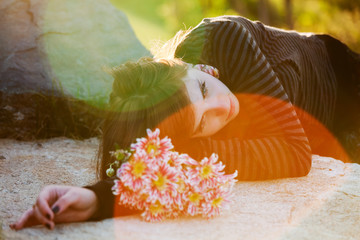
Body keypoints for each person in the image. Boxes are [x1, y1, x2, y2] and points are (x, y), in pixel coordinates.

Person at [10, 15, 360, 230]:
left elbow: (294, 152)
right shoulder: (171, 121)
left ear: (200, 69)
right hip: (336, 140)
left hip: (343, 80)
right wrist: (98, 199)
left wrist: (189, 150)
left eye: (205, 89)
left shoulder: (224, 39)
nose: (223, 107)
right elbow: (152, 161)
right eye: (203, 122)